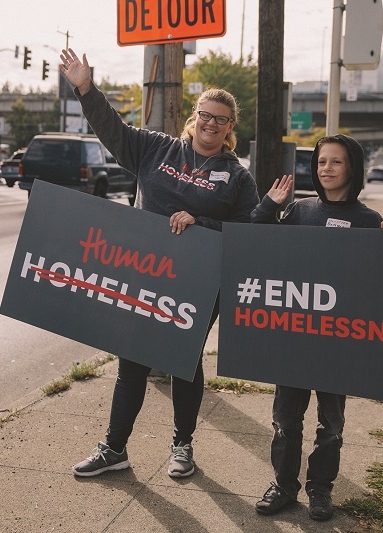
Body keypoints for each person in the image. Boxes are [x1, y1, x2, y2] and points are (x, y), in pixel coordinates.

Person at [59, 48, 259, 479]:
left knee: (184, 362)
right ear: (195, 116)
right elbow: (110, 129)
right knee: (131, 361)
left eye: (221, 119)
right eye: (206, 114)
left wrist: (202, 221)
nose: (211, 123)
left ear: (230, 129)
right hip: (144, 274)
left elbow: (249, 232)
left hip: (200, 284)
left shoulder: (238, 177)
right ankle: (115, 449)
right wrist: (85, 88)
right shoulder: (154, 150)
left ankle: (183, 447)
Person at [251, 134, 383, 522]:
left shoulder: (369, 221)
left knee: (331, 424)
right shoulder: (300, 210)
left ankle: (321, 489)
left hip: (339, 344)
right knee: (285, 419)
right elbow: (256, 237)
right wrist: (270, 205)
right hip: (296, 339)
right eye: (321, 162)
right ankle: (284, 486)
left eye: (336, 162)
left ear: (352, 168)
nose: (326, 169)